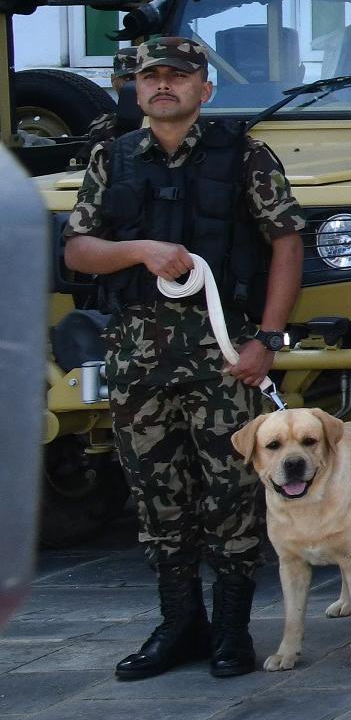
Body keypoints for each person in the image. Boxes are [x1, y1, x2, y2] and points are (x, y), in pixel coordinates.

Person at [60, 34, 306, 681]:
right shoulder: (112, 158)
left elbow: (286, 243)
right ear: (136, 88)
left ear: (205, 88)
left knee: (230, 494)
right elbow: (79, 249)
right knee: (156, 498)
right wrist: (139, 250)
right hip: (139, 356)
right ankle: (178, 626)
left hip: (224, 354)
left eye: (178, 75)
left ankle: (230, 630)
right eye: (151, 77)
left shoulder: (245, 156)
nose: (162, 85)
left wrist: (268, 340)